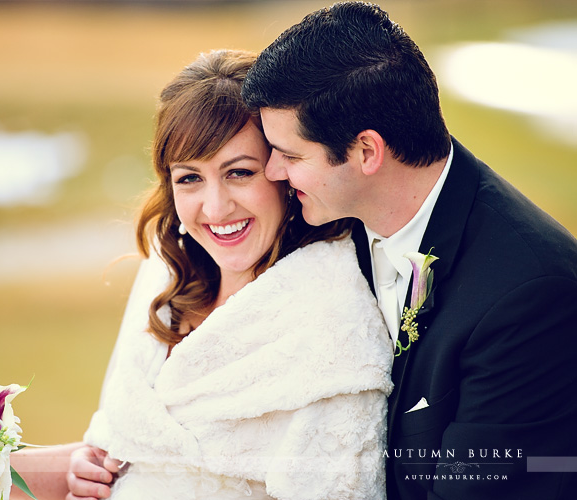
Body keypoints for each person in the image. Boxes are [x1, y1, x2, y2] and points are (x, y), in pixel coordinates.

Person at [239, 2, 577, 499]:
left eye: (290, 155)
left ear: (367, 152)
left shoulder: (532, 296)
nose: (272, 173)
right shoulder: (325, 224)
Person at [43, 48, 394, 500]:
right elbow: (127, 442)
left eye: (239, 173)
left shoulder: (332, 325)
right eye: (189, 178)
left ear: (284, 172)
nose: (215, 207)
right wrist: (88, 466)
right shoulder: (171, 279)